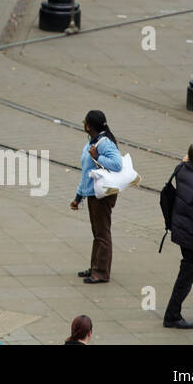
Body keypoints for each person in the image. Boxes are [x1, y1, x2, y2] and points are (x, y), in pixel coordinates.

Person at [70, 110, 123, 284]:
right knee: (97, 233)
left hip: (102, 195)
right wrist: (79, 197)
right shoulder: (92, 142)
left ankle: (101, 272)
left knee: (102, 233)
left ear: (89, 126)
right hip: (93, 194)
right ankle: (95, 267)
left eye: (84, 121)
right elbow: (86, 173)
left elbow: (117, 164)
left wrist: (98, 156)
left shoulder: (105, 143)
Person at [162, 140, 193, 330]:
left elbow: (183, 164)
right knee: (187, 274)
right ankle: (172, 315)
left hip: (182, 230)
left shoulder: (182, 170)